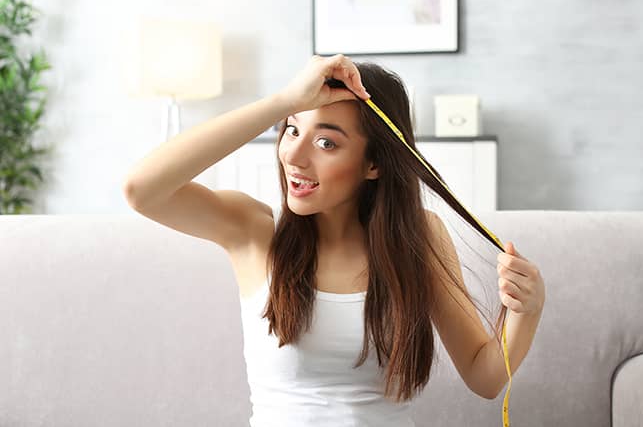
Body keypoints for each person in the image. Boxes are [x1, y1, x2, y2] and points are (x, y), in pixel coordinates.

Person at [122, 54, 545, 426]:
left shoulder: (420, 237)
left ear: (374, 164)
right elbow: (142, 189)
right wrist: (283, 101)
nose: (294, 155)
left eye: (326, 142)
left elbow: (485, 375)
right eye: (291, 130)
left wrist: (526, 310)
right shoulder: (253, 230)